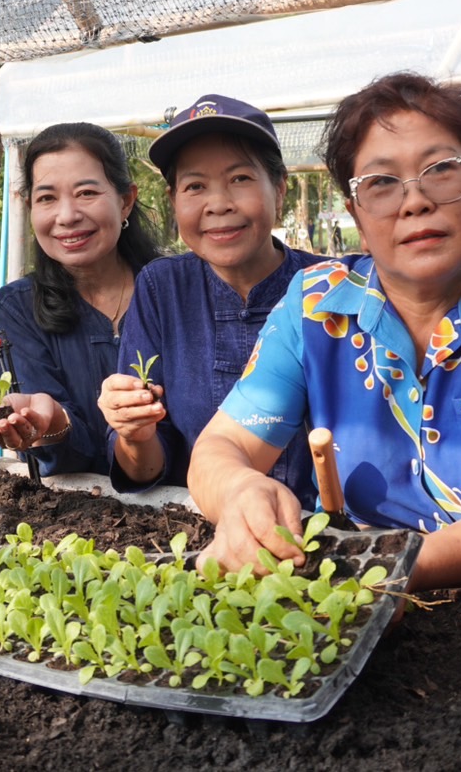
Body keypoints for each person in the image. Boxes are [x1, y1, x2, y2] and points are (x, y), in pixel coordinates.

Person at [188, 72, 461, 591]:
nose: (415, 201)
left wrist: (390, 571)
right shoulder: (316, 304)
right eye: (380, 183)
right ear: (355, 212)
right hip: (340, 583)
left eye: (442, 170)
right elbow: (221, 446)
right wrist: (241, 490)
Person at [98, 94, 326, 498]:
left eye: (240, 179)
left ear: (280, 190)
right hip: (198, 524)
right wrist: (134, 432)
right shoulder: (162, 289)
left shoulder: (325, 287)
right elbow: (146, 468)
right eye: (195, 186)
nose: (218, 204)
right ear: (174, 201)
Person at [0, 122, 161, 474]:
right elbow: (64, 455)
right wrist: (50, 422)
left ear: (126, 201)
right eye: (47, 198)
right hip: (74, 512)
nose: (67, 216)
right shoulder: (18, 308)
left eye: (86, 193)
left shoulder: (173, 291)